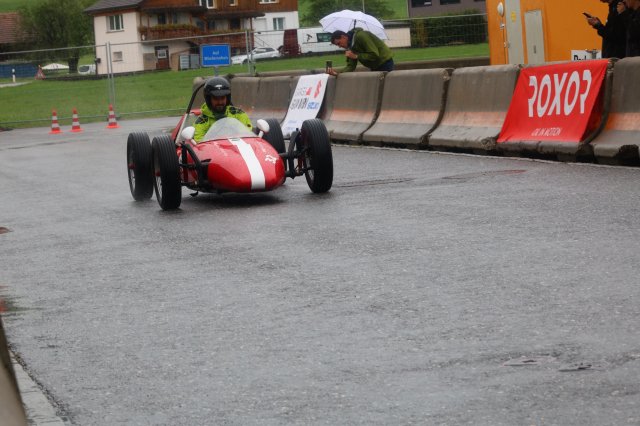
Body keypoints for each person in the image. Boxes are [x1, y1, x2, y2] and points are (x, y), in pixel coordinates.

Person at [193, 76, 252, 142]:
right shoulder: (201, 121)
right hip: (214, 148)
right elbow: (200, 143)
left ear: (227, 98)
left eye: (222, 98)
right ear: (209, 100)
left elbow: (247, 135)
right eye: (216, 99)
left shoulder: (239, 114)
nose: (220, 102)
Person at [326, 28, 394, 75]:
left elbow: (374, 54)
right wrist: (337, 73)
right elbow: (351, 67)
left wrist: (356, 56)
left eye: (339, 43)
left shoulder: (361, 36)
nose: (339, 46)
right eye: (337, 45)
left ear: (343, 37)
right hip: (374, 66)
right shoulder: (350, 46)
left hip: (384, 62)